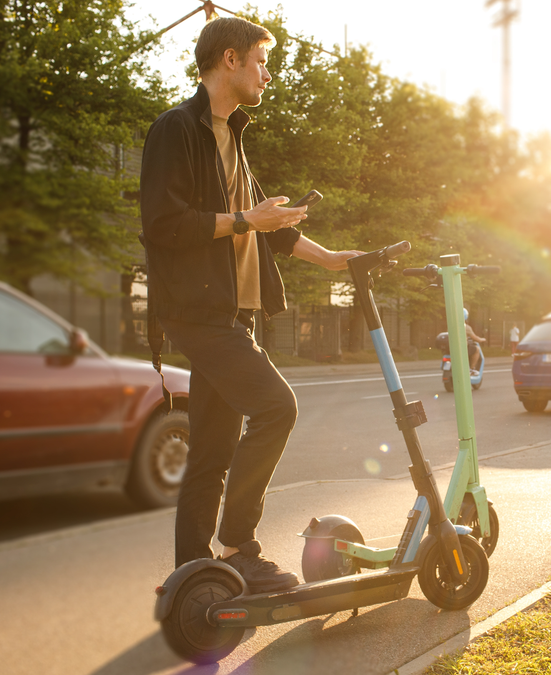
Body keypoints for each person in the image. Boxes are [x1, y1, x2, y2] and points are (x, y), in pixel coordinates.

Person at [140, 16, 363, 592]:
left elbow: (271, 227)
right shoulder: (176, 129)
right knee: (276, 408)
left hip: (234, 313)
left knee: (211, 451)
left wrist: (335, 257)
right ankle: (238, 547)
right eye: (262, 61)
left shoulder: (232, 136)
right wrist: (247, 219)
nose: (269, 74)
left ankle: (193, 577)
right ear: (230, 59)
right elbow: (164, 225)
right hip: (198, 311)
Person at [463, 308, 486, 376]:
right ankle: (471, 369)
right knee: (476, 349)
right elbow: (475, 338)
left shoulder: (451, 326)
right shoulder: (466, 327)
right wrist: (482, 339)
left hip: (452, 349)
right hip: (463, 349)